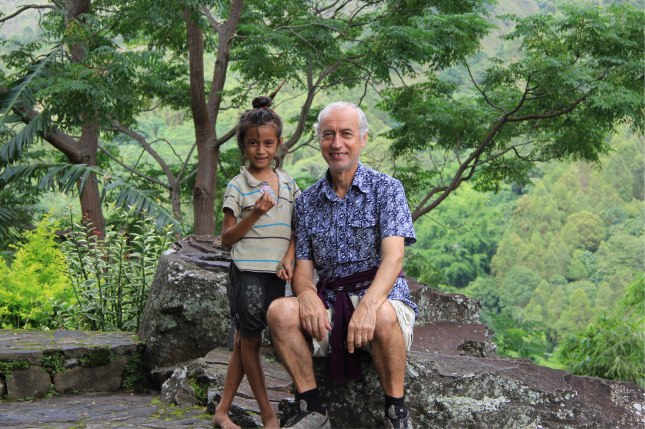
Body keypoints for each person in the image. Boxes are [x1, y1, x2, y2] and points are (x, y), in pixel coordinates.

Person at [267, 102, 417, 429]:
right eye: (328, 135)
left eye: (346, 134)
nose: (337, 143)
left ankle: (396, 412)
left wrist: (368, 307)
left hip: (383, 300)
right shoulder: (307, 202)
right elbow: (303, 270)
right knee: (280, 311)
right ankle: (312, 407)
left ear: (363, 138)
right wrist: (306, 295)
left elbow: (394, 257)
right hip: (332, 303)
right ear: (319, 140)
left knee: (382, 314)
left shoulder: (387, 189)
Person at [214, 96, 301, 429]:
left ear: (278, 144)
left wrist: (290, 258)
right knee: (250, 342)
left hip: (276, 275)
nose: (261, 150)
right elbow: (227, 238)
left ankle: (222, 412)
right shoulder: (237, 186)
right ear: (243, 145)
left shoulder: (288, 183)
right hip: (247, 273)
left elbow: (297, 228)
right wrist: (255, 214)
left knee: (244, 342)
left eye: (267, 143)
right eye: (253, 143)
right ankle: (268, 415)